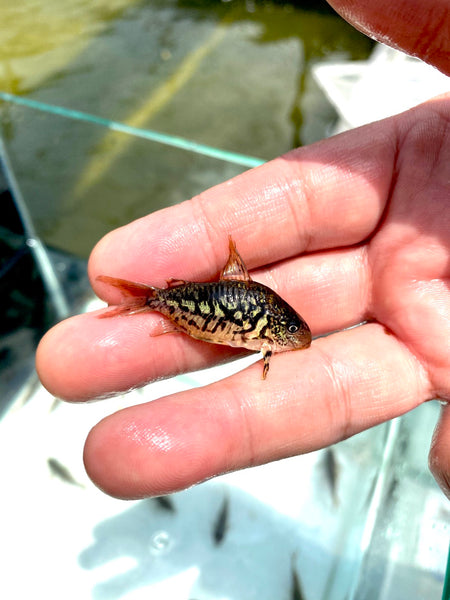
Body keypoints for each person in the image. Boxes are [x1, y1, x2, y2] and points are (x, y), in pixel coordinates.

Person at [36, 0, 450, 500]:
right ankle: (138, 300)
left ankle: (140, 300)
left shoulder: (271, 331)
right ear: (276, 331)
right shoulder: (269, 332)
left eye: (295, 331)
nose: (299, 336)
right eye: (293, 332)